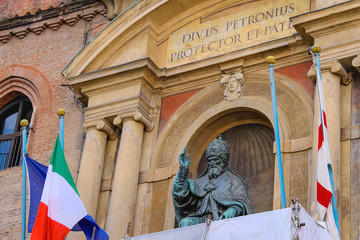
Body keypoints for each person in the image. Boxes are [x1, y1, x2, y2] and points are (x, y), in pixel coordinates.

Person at [172, 136, 254, 227]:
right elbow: (180, 194)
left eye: (216, 160)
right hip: (201, 220)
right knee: (185, 222)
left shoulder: (234, 180)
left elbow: (243, 202)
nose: (211, 163)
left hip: (223, 219)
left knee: (226, 226)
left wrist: (232, 210)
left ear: (224, 163)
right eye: (210, 160)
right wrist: (182, 171)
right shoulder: (201, 181)